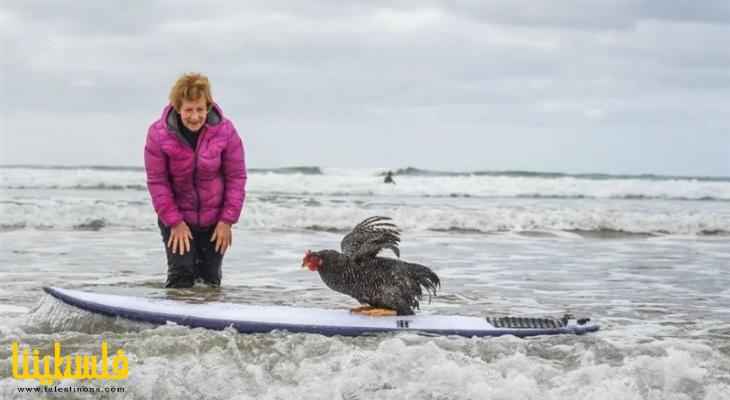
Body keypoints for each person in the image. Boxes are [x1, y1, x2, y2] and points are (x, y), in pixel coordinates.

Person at [144, 73, 247, 288]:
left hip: (215, 219)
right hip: (177, 217)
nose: (194, 116)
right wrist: (175, 223)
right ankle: (171, 322)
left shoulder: (226, 132)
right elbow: (157, 183)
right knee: (182, 275)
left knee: (209, 280)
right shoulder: (158, 135)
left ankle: (206, 322)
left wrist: (227, 220)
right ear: (177, 107)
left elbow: (236, 178)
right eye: (188, 110)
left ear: (207, 107)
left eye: (199, 109)